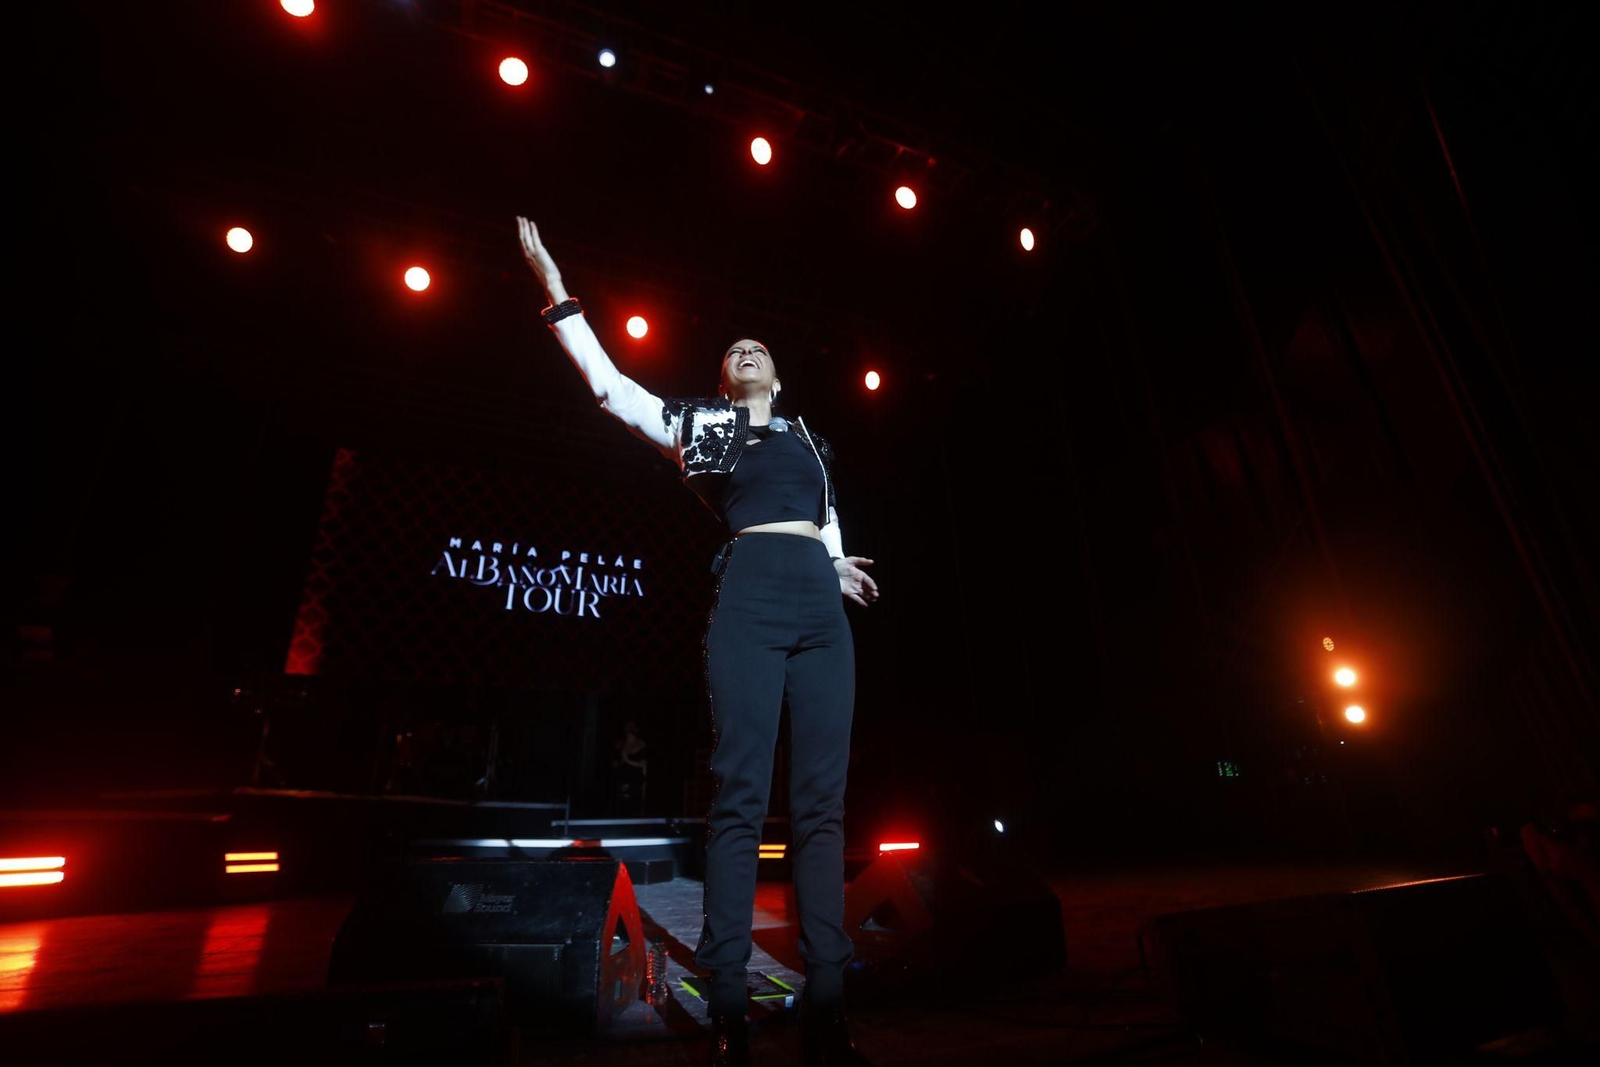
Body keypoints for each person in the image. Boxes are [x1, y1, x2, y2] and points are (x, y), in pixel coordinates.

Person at [518, 217, 878, 1067]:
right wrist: (556, 290)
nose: (747, 349)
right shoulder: (701, 426)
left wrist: (836, 562)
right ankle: (728, 1008)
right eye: (734, 350)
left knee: (822, 806)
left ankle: (829, 1007)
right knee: (741, 797)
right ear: (723, 379)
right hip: (749, 596)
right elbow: (611, 388)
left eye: (760, 347)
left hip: (819, 608)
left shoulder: (808, 439)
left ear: (777, 376)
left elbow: (824, 512)